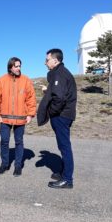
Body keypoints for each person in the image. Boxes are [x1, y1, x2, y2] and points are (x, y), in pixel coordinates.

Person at [37, 48, 77, 189]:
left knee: (65, 147)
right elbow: (59, 93)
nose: (45, 62)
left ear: (55, 60)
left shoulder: (59, 74)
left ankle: (67, 180)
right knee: (63, 146)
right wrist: (48, 91)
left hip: (61, 116)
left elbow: (59, 99)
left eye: (47, 60)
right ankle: (64, 173)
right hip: (63, 115)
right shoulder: (59, 74)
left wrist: (52, 112)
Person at [0, 57, 36, 177]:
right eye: (16, 66)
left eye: (19, 66)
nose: (18, 68)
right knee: (4, 142)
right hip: (4, 118)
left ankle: (17, 166)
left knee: (19, 142)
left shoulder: (26, 80)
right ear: (10, 67)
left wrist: (30, 114)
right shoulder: (1, 80)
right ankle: (4, 164)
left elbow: (31, 98)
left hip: (21, 118)